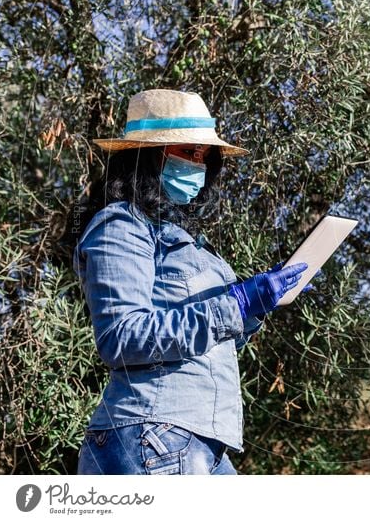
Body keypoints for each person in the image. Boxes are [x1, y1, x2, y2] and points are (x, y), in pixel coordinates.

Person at [72, 89, 310, 475]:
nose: (198, 165)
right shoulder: (120, 225)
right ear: (147, 156)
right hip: (153, 434)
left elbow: (204, 339)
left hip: (195, 440)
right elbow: (121, 337)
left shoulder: (177, 236)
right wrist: (236, 304)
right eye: (187, 152)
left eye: (204, 156)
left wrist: (254, 308)